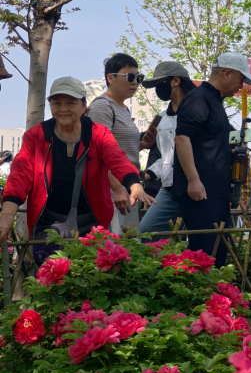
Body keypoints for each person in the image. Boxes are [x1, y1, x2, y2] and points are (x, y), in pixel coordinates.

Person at [0, 77, 154, 262]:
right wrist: (7, 215)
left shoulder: (98, 133)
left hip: (92, 223)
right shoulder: (37, 135)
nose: (63, 108)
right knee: (51, 274)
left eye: (70, 103)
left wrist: (134, 185)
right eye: (57, 103)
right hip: (49, 223)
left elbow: (117, 159)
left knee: (91, 273)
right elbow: (20, 176)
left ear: (84, 106)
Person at [174, 52, 251, 267]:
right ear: (226, 73)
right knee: (203, 257)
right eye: (241, 79)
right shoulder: (199, 98)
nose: (241, 86)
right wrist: (193, 179)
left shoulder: (215, 101)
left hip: (216, 191)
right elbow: (182, 138)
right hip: (201, 191)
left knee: (216, 257)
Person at [88, 53, 154, 232]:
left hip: (128, 185)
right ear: (110, 78)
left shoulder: (122, 108)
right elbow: (97, 152)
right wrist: (117, 188)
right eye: (130, 77)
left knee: (129, 243)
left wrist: (141, 145)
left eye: (138, 78)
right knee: (114, 242)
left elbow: (118, 148)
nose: (135, 83)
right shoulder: (103, 106)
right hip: (111, 188)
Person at [138, 61, 195, 235]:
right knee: (147, 230)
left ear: (176, 81)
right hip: (169, 187)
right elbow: (168, 156)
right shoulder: (161, 119)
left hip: (197, 185)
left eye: (159, 83)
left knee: (198, 235)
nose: (157, 89)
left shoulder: (199, 111)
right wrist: (150, 173)